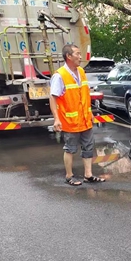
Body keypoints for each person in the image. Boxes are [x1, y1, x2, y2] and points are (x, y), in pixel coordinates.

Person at [49, 44, 105, 186]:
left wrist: (90, 112)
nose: (80, 57)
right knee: (70, 149)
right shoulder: (60, 75)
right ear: (68, 56)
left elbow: (84, 95)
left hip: (85, 119)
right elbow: (53, 97)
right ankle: (69, 176)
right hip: (70, 121)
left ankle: (88, 175)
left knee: (88, 147)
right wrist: (56, 119)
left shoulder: (81, 71)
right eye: (77, 54)